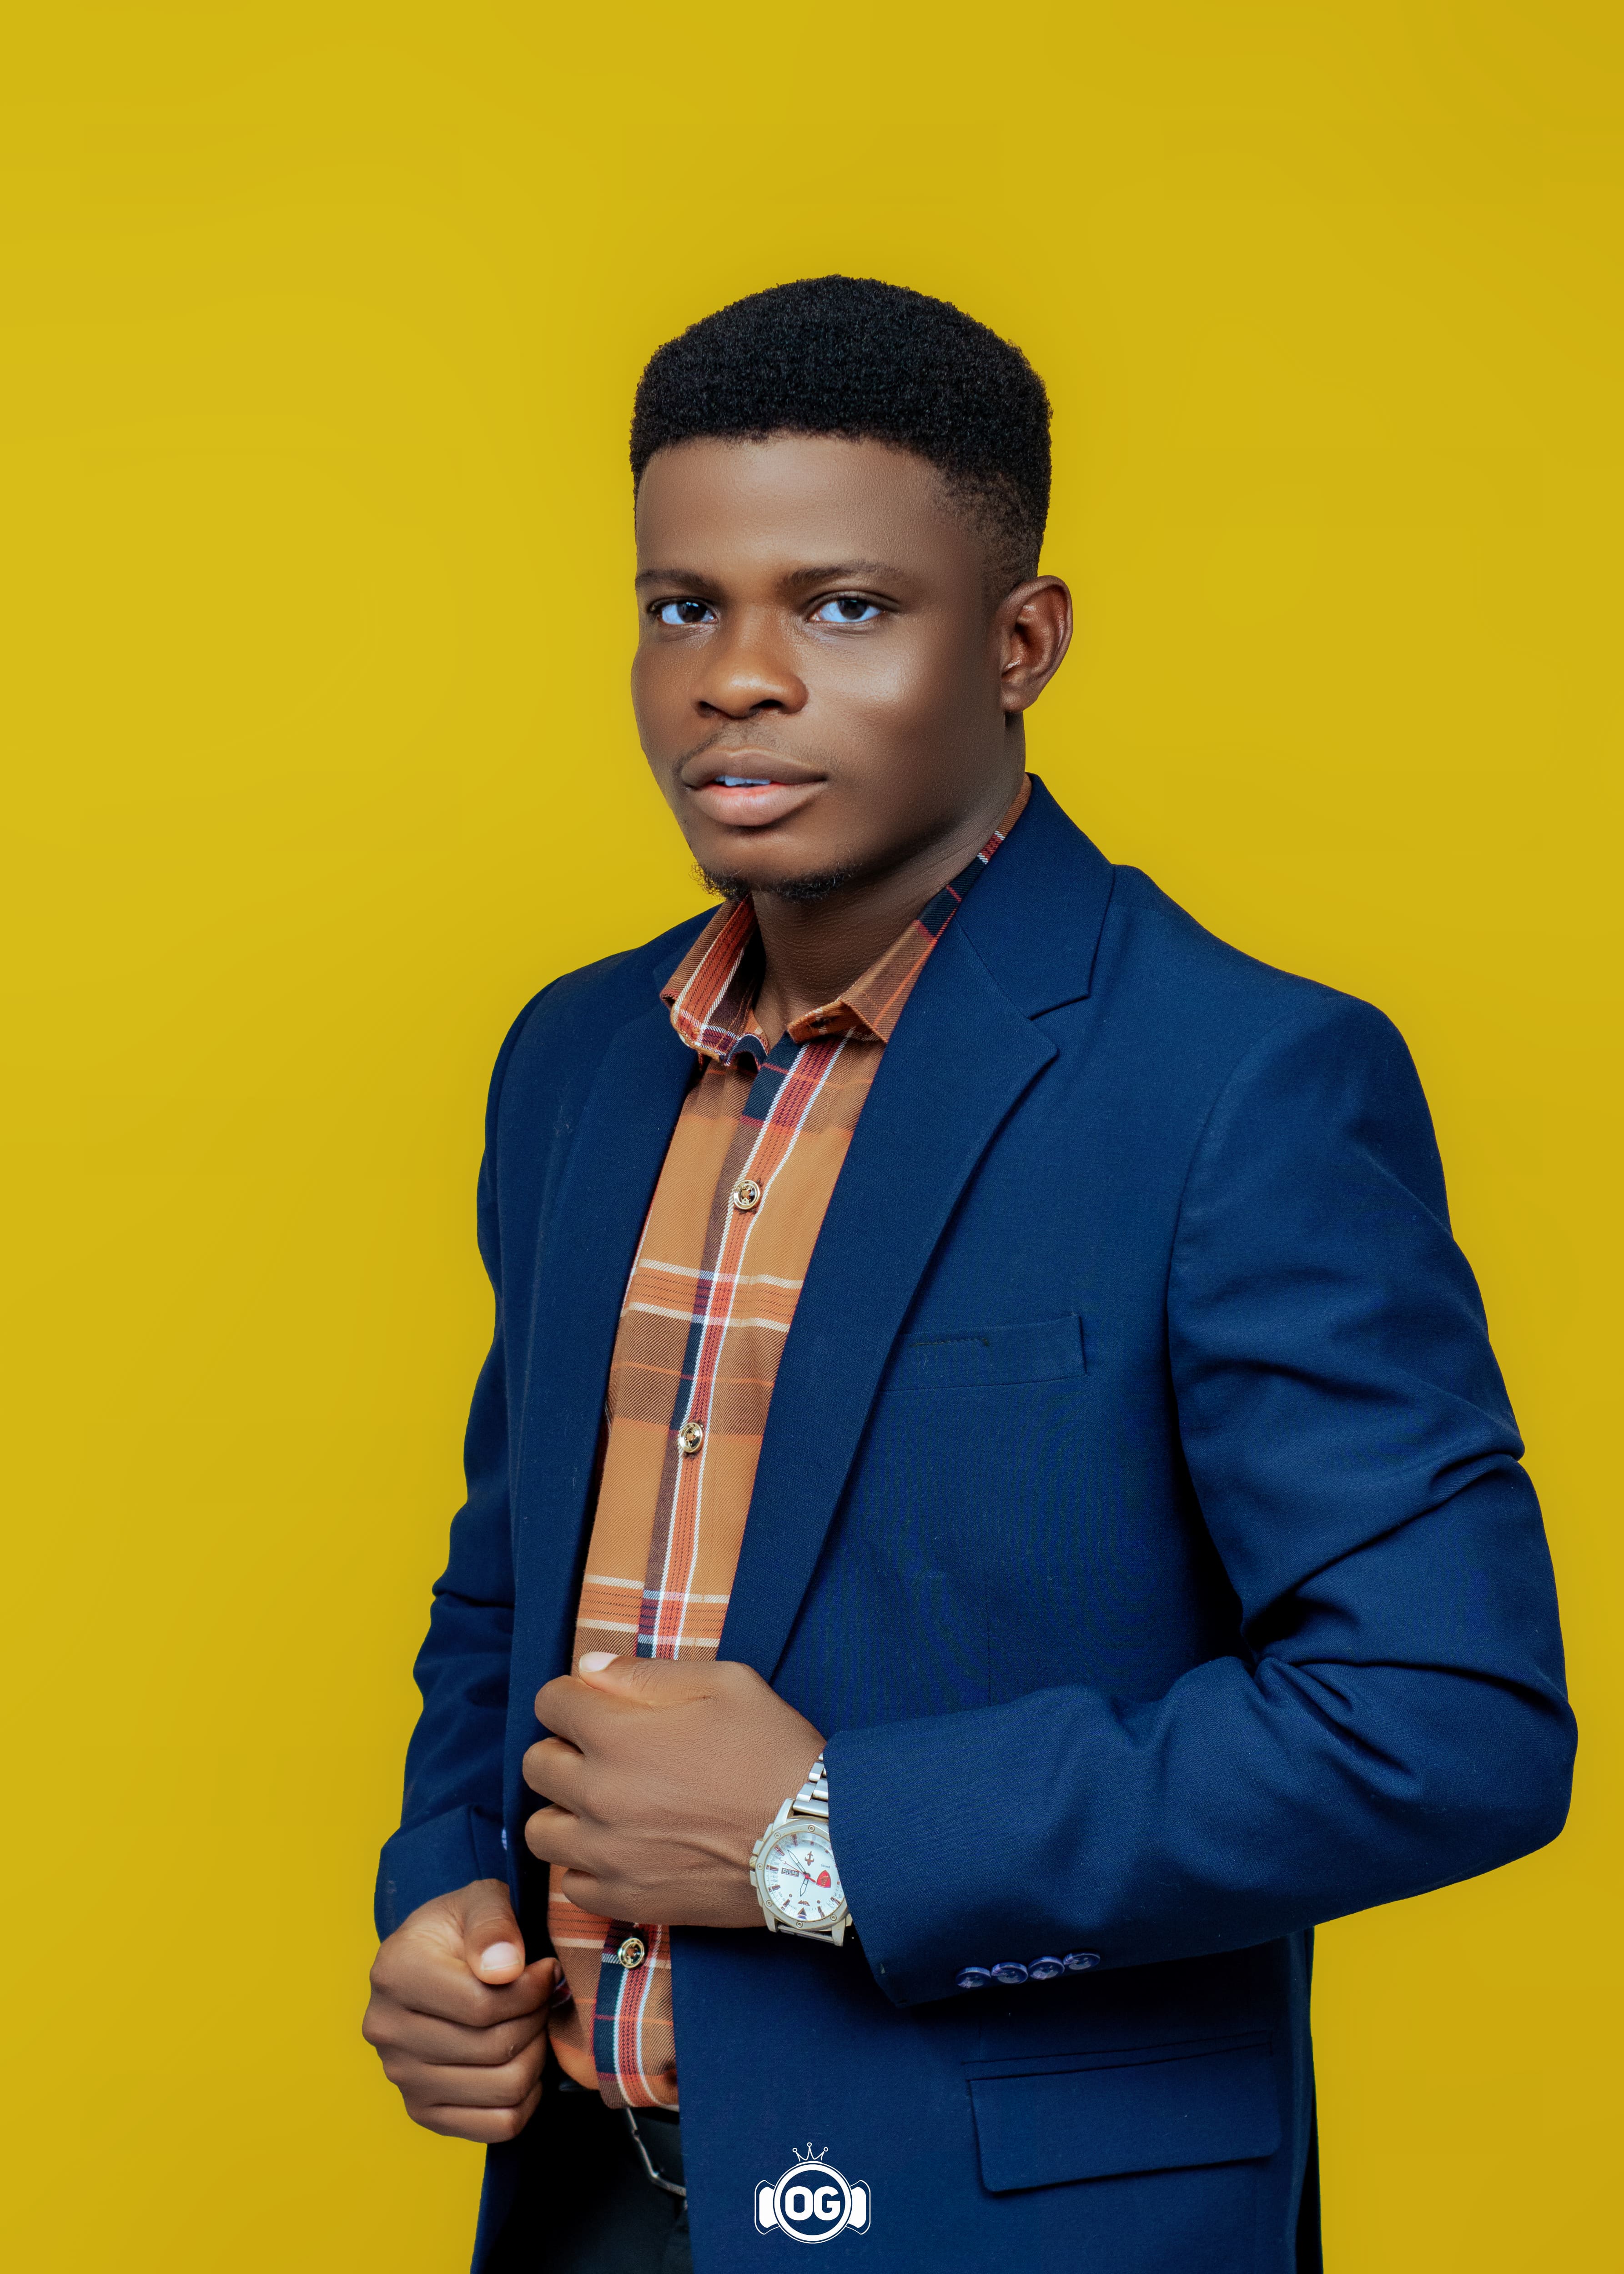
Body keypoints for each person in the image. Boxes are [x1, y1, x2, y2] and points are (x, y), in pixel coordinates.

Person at [362, 277, 1574, 2274]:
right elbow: (511, 1583)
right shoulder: (576, 1060)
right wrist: (444, 1887)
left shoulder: (1237, 1081)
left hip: (1008, 2219)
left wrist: (827, 1832)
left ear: (1020, 643)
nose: (737, 680)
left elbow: (1441, 1720)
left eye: (844, 607)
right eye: (682, 607)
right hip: (590, 2199)